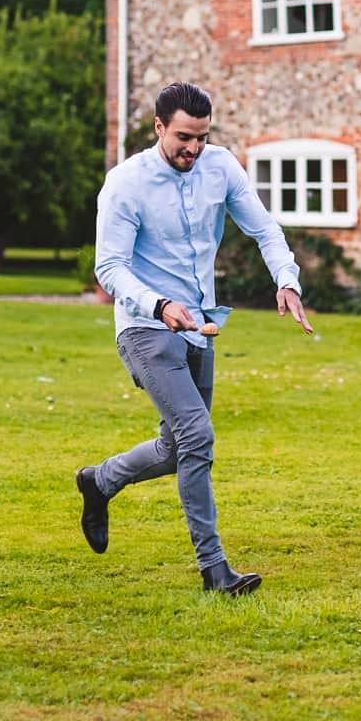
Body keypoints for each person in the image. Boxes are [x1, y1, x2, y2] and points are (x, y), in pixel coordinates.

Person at [76, 82, 315, 596]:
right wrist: (159, 305)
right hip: (146, 327)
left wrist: (287, 280)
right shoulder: (126, 184)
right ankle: (215, 571)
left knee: (175, 446)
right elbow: (109, 266)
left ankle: (99, 481)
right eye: (184, 137)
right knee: (198, 438)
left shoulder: (220, 166)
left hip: (202, 326)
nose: (194, 148)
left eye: (202, 138)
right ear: (159, 127)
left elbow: (265, 230)